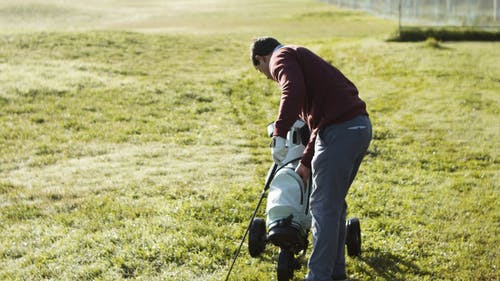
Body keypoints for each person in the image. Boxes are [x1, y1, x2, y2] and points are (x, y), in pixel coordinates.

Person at [250, 37, 372, 281]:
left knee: (322, 208)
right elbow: (318, 120)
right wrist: (305, 161)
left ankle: (318, 277)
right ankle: (336, 273)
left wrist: (279, 133)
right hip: (359, 128)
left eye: (263, 71)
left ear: (261, 59)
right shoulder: (300, 57)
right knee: (334, 206)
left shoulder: (280, 57)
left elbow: (291, 90)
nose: (268, 76)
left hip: (340, 132)